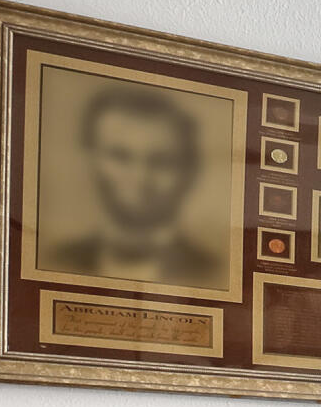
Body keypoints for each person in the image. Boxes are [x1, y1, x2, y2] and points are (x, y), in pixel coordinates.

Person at [42, 85, 228, 290]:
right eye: (120, 156)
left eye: (161, 161)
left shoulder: (214, 270)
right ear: (91, 161)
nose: (140, 179)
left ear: (189, 172)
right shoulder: (55, 259)